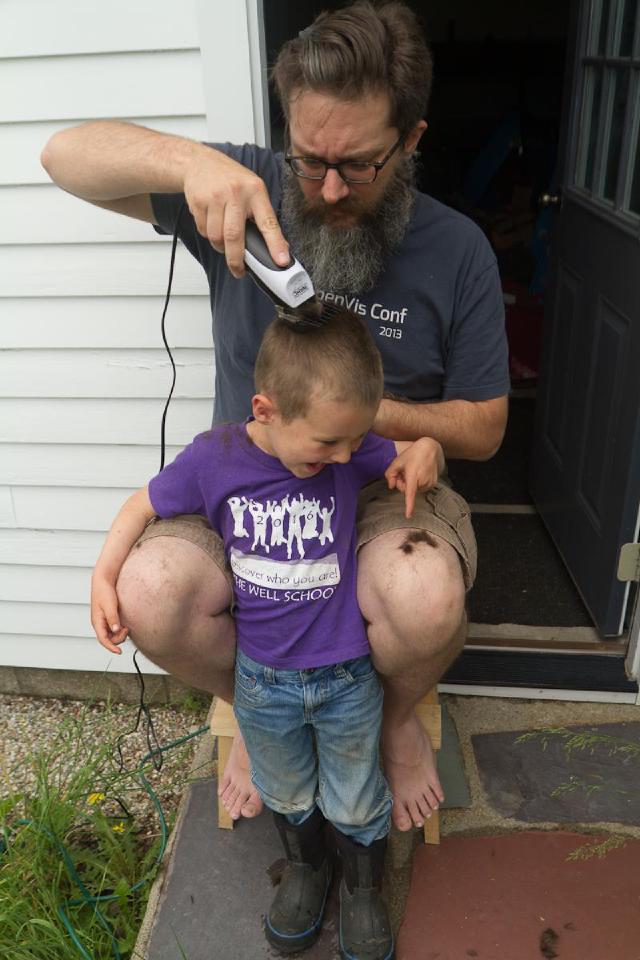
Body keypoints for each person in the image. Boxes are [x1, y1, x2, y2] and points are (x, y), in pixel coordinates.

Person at [41, 0, 510, 833]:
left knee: (426, 597)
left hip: (379, 482)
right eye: (310, 159)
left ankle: (393, 720)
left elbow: (485, 425)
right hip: (244, 487)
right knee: (153, 592)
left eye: (359, 165)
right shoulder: (243, 186)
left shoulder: (459, 249)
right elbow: (61, 155)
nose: (328, 189)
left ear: (411, 140)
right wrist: (187, 162)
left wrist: (359, 425)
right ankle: (259, 711)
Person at [91, 310, 444, 959]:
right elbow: (142, 503)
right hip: (261, 680)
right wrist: (104, 576)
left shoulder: (351, 445)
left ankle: (363, 886)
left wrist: (425, 450)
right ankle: (308, 869)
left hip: (345, 677)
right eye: (327, 445)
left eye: (353, 442)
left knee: (356, 789)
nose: (345, 458)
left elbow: (414, 451)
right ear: (266, 408)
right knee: (284, 787)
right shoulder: (213, 459)